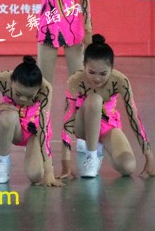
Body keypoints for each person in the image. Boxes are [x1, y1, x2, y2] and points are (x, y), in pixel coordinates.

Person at [59, 34, 154, 178]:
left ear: (111, 68)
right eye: (91, 72)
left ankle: (99, 148)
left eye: (103, 74)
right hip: (82, 125)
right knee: (95, 99)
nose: (97, 78)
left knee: (128, 166)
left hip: (108, 125)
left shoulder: (121, 81)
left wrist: (149, 156)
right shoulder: (75, 80)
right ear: (84, 66)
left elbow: (134, 117)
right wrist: (65, 163)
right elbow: (68, 119)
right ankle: (91, 156)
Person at [0, 56, 62, 186]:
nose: (23, 99)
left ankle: (33, 152)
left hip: (34, 133)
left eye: (30, 96)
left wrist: (49, 171)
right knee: (8, 115)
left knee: (36, 176)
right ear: (11, 82)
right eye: (18, 94)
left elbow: (43, 128)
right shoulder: (1, 79)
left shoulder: (45, 89)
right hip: (14, 129)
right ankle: (3, 162)